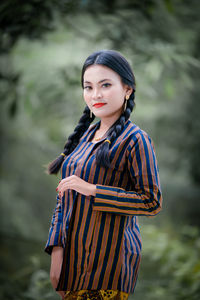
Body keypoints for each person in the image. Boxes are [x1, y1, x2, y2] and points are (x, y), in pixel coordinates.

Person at [44, 49, 163, 300]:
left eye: (105, 85)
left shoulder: (135, 139)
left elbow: (151, 201)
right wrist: (56, 252)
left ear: (127, 89)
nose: (95, 94)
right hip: (71, 266)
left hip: (108, 269)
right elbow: (63, 198)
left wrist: (92, 190)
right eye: (88, 87)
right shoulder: (84, 137)